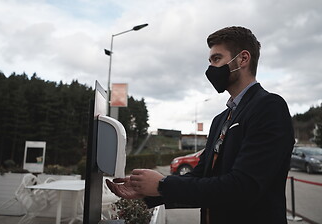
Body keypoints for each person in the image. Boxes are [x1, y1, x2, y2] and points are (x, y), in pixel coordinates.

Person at [107, 26, 295, 224]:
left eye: (216, 59)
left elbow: (243, 187)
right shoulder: (221, 119)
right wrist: (146, 190)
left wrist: (162, 185)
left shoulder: (269, 107)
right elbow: (201, 175)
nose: (211, 68)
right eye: (210, 61)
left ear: (243, 59)